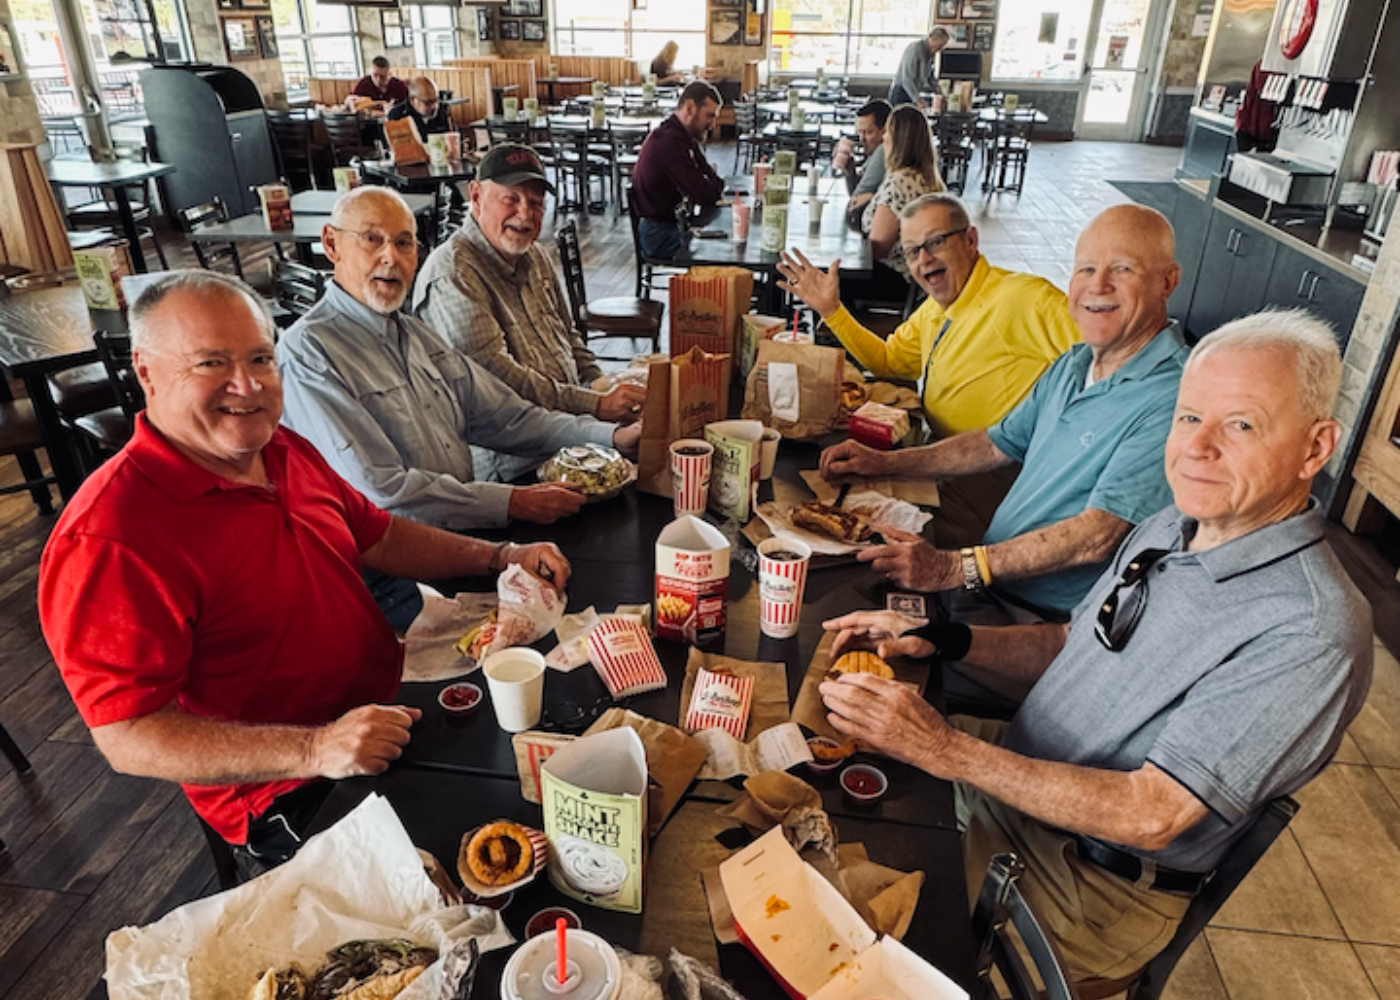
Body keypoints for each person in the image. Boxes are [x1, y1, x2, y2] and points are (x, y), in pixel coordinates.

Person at [819, 308, 1373, 991]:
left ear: (1316, 448)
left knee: (837, 941)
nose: (1198, 448)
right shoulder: (1173, 525)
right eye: (1189, 417)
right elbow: (1070, 644)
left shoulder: (1309, 629)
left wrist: (944, 749)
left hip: (1081, 886)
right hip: (1019, 779)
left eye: (1242, 424)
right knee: (815, 782)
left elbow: (1154, 811)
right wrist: (942, 640)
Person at [37, 270, 571, 880]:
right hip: (288, 787)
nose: (248, 385)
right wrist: (317, 747)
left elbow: (381, 534)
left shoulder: (282, 448)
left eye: (261, 357)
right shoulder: (111, 536)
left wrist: (500, 557)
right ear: (146, 371)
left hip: (392, 706)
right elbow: (126, 733)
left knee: (555, 796)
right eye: (211, 362)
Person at [819, 206, 1187, 695]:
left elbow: (1097, 536)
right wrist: (884, 463)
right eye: (1085, 269)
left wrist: (955, 566)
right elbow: (996, 442)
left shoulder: (1174, 399)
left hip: (1039, 629)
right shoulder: (1076, 363)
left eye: (1122, 269)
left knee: (860, 681)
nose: (1097, 286)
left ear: (1167, 281)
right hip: (989, 587)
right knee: (846, 616)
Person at [279, 186, 640, 536]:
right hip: (386, 574)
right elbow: (383, 493)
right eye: (372, 239)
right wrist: (510, 503)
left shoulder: (416, 335)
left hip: (463, 536)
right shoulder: (308, 353)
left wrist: (613, 437)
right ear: (331, 244)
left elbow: (508, 418)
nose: (390, 257)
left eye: (404, 243)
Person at [777, 192, 1079, 541]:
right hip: (940, 456)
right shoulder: (939, 305)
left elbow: (1108, 356)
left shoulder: (1024, 299)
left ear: (970, 240)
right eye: (911, 250)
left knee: (886, 540)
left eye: (935, 242)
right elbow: (890, 361)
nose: (923, 259)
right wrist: (833, 312)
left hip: (996, 473)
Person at [413, 143, 647, 480]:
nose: (525, 214)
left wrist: (600, 382)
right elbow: (501, 385)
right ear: (476, 196)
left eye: (536, 202)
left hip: (572, 440)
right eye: (511, 199)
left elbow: (569, 335)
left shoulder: (535, 256)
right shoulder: (454, 274)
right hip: (511, 468)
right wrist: (596, 405)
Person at [857, 103, 946, 300]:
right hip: (922, 279)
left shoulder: (899, 182)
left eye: (888, 131)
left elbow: (878, 248)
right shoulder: (928, 179)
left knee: (825, 279)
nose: (884, 137)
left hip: (898, 278)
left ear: (898, 140)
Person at [630, 80, 725, 260]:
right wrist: (712, 187)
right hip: (658, 235)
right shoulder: (669, 141)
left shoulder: (680, 135)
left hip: (668, 226)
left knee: (723, 245)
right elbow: (705, 194)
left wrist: (712, 187)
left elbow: (713, 182)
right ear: (689, 108)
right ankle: (711, 288)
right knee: (719, 251)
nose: (713, 124)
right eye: (709, 116)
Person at [837, 99, 891, 227]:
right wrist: (850, 171)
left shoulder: (882, 151)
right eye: (859, 132)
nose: (862, 139)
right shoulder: (877, 151)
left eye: (868, 132)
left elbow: (856, 200)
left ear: (885, 131)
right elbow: (858, 198)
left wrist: (869, 196)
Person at [890, 27, 950, 107]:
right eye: (939, 46)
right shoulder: (915, 49)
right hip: (901, 93)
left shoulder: (930, 54)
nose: (939, 50)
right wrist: (918, 100)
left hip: (912, 92)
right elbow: (907, 80)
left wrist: (938, 90)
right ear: (932, 39)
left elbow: (930, 77)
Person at [386, 76, 452, 136]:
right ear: (412, 100)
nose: (434, 106)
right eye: (427, 102)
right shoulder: (397, 116)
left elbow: (453, 136)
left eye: (436, 100)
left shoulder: (442, 110)